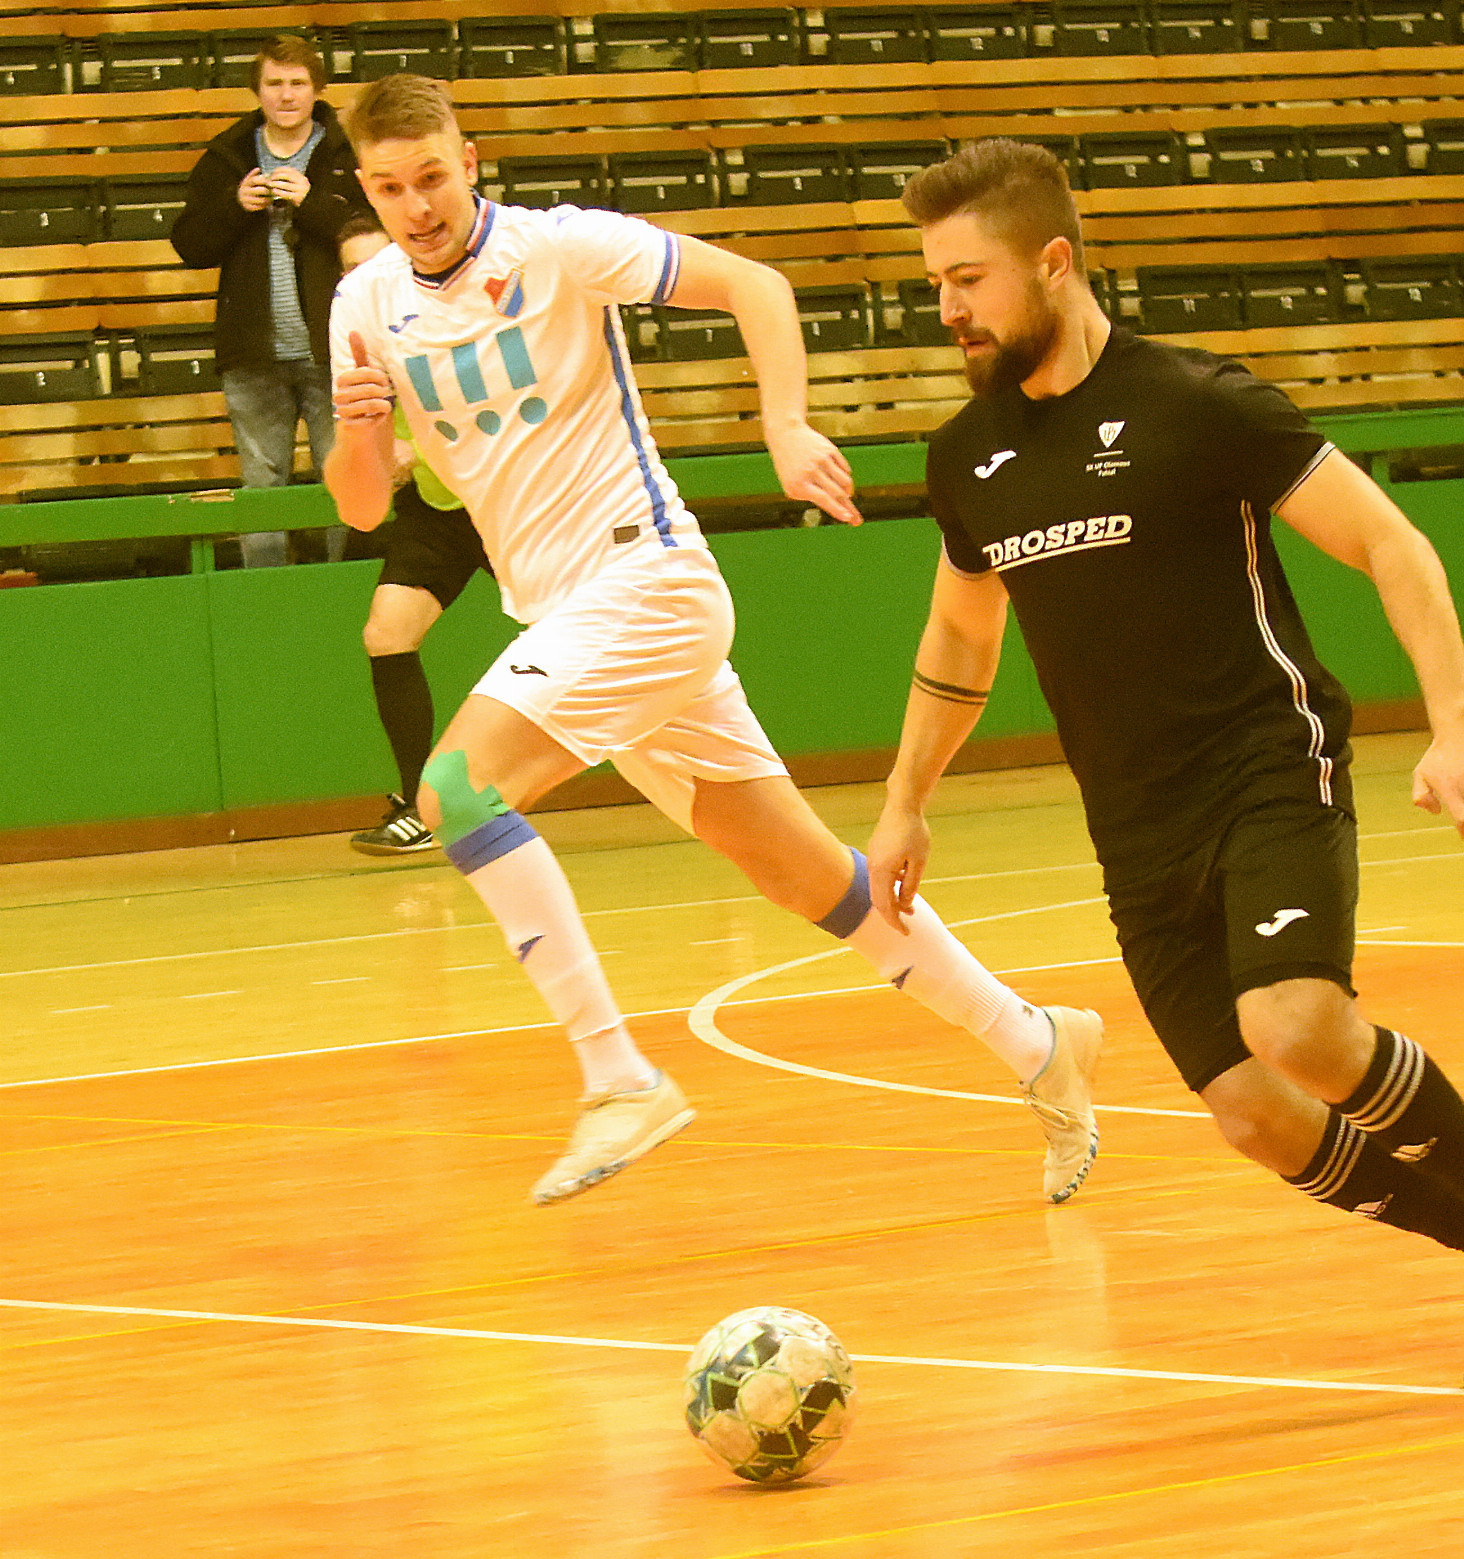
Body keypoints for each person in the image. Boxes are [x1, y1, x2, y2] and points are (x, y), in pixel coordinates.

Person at [869, 139, 1464, 1390]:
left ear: (1053, 263)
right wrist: (905, 801)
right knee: (1254, 1113)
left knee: (1297, 1024)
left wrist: (1457, 720)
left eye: (968, 280)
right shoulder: (969, 455)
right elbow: (959, 633)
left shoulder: (1199, 403)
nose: (947, 309)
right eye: (935, 284)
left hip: (1266, 764)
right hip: (1135, 825)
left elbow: (1391, 543)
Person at [324, 76, 1101, 1208]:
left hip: (646, 580)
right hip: (569, 619)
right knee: (805, 875)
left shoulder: (559, 248)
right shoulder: (363, 303)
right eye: (391, 188)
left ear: (470, 162)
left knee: (454, 787)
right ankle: (1037, 1042)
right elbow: (359, 506)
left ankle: (617, 1076)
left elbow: (755, 285)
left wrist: (784, 425)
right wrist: (357, 433)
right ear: (366, 188)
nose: (417, 205)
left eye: (433, 177)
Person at [172, 34, 366, 568]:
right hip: (252, 354)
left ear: (317, 88)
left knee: (346, 484)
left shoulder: (348, 152)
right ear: (256, 91)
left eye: (297, 83)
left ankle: (347, 593)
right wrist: (234, 205)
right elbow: (189, 246)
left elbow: (376, 238)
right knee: (261, 491)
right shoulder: (227, 156)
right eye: (274, 83)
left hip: (335, 352)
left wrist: (312, 204)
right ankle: (263, 598)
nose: (286, 94)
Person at [332, 213, 492, 857]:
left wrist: (413, 452)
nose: (363, 276)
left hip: (502, 501)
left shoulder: (448, 316)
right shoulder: (356, 337)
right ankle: (419, 804)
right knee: (387, 633)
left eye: (377, 260)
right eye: (350, 267)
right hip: (435, 509)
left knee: (585, 635)